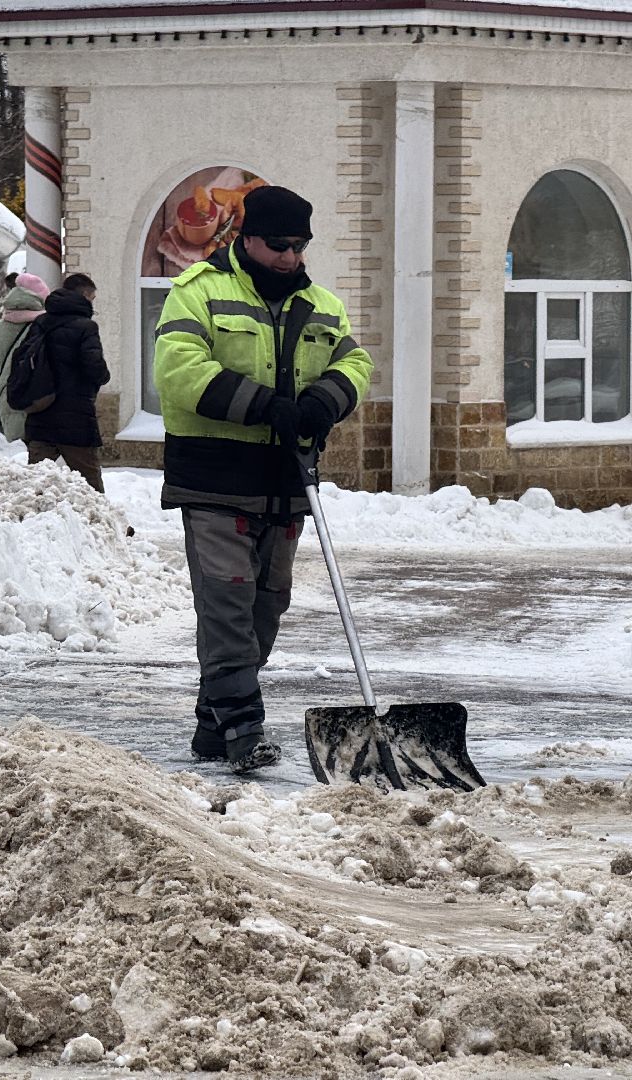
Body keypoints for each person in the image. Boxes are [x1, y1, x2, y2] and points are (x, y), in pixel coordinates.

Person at [153, 185, 373, 774]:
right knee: (226, 604)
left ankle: (212, 724)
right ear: (247, 238)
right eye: (277, 244)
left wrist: (324, 400)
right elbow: (176, 370)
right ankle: (244, 728)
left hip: (285, 480)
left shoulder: (322, 305)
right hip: (214, 478)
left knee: (266, 607)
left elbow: (355, 361)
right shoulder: (197, 293)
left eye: (298, 246)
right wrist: (261, 404)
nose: (288, 257)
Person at [25, 272, 111, 493]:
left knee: (35, 486)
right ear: (83, 296)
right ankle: (101, 525)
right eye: (92, 298)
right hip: (76, 419)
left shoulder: (41, 322)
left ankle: (29, 525)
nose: (93, 304)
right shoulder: (86, 327)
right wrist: (103, 377)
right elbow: (94, 367)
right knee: (91, 487)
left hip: (40, 414)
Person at [0, 272, 50, 441]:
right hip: (36, 394)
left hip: (8, 393)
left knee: (15, 452)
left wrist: (4, 377)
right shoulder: (42, 326)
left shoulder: (1, 326)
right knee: (34, 453)